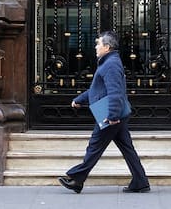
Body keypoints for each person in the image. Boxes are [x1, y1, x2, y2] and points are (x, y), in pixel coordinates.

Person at [58, 31, 151, 194]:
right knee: (127, 148)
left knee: (94, 146)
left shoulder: (111, 64)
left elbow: (115, 92)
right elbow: (96, 90)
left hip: (110, 115)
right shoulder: (108, 62)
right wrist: (79, 99)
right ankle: (140, 182)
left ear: (107, 47)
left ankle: (77, 179)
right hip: (114, 115)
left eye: (98, 44)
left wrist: (113, 116)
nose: (95, 47)